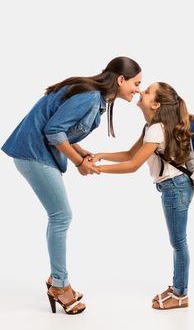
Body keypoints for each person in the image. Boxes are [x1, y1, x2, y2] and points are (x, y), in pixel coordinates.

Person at [1, 56, 142, 315]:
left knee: (58, 216)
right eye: (136, 83)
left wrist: (81, 151)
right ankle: (60, 286)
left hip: (34, 153)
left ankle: (57, 280)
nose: (138, 89)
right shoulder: (90, 97)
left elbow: (62, 130)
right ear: (121, 80)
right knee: (61, 216)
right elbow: (53, 132)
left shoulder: (95, 97)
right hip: (32, 154)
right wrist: (79, 162)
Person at [92, 82, 194, 310]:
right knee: (178, 242)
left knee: (178, 242)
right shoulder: (151, 126)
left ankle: (180, 294)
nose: (139, 91)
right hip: (174, 187)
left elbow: (132, 165)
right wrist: (101, 155)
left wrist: (99, 169)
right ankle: (179, 287)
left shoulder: (157, 130)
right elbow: (130, 153)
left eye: (146, 91)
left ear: (156, 104)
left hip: (175, 188)